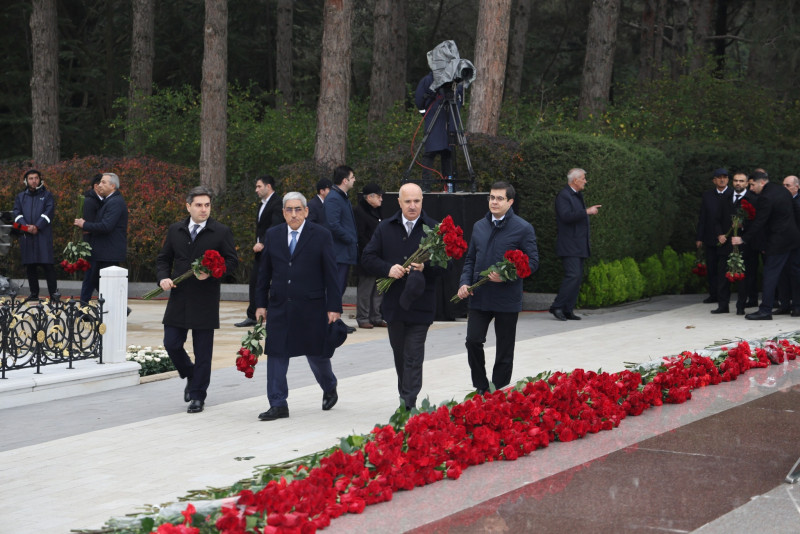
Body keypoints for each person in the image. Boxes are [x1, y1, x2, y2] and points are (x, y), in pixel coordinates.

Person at [255, 192, 342, 421]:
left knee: (316, 354)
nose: (294, 214)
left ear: (306, 211)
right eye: (289, 210)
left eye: (298, 209)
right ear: (283, 213)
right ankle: (277, 403)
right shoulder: (273, 235)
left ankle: (329, 385)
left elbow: (331, 273)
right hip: (280, 305)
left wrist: (334, 307)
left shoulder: (321, 235)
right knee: (276, 354)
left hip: (311, 306)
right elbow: (264, 273)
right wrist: (260, 304)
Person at [362, 183, 444, 410]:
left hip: (421, 305)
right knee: (400, 355)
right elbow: (367, 258)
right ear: (399, 202)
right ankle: (405, 398)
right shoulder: (386, 228)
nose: (412, 206)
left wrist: (425, 268)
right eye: (407, 201)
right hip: (394, 306)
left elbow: (446, 268)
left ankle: (409, 404)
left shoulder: (434, 229)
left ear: (422, 202)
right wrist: (388, 269)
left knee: (413, 356)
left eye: (417, 201)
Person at [156, 186, 238, 413]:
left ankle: (198, 396)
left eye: (207, 205)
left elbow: (232, 262)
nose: (204, 209)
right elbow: (164, 259)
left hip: (205, 299)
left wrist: (212, 272)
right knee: (171, 343)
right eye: (199, 205)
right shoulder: (176, 230)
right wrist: (163, 278)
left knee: (203, 352)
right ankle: (190, 374)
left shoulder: (220, 231)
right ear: (188, 206)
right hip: (179, 296)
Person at [457, 181, 539, 394]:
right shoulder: (479, 226)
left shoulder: (523, 228)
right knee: (473, 341)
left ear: (510, 202)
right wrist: (464, 282)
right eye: (492, 197)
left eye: (499, 198)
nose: (494, 201)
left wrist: (506, 276)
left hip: (506, 298)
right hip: (480, 296)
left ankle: (498, 391)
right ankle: (481, 386)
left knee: (504, 349)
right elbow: (470, 259)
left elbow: (532, 263)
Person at [732, 171, 800, 320]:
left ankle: (765, 310)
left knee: (770, 274)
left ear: (761, 182)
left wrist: (743, 239)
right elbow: (796, 211)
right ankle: (795, 306)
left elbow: (760, 223)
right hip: (793, 239)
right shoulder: (782, 190)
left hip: (779, 241)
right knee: (793, 273)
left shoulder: (765, 197)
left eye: (752, 185)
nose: (750, 188)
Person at [549, 168, 601, 321]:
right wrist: (586, 212)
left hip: (579, 244)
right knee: (573, 275)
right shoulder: (564, 196)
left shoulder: (577, 195)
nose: (585, 181)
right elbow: (565, 216)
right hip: (569, 244)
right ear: (575, 180)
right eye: (583, 178)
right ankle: (557, 307)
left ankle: (567, 309)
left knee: (577, 278)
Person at [235, 175, 283, 328]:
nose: (256, 190)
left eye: (259, 186)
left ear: (268, 187)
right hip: (261, 251)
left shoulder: (277, 203)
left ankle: (269, 313)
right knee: (256, 281)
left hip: (271, 249)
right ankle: (253, 315)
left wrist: (262, 242)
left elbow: (275, 225)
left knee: (270, 282)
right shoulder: (262, 204)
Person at [74, 172, 128, 305]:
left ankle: (85, 310)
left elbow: (106, 226)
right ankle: (86, 310)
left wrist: (84, 224)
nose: (100, 185)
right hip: (103, 252)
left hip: (108, 252)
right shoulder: (109, 200)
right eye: (100, 182)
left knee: (98, 282)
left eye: (104, 182)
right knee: (94, 281)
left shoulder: (115, 202)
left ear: (113, 186)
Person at [13, 169, 58, 300]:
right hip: (27, 236)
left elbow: (49, 212)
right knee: (30, 266)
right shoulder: (20, 197)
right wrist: (26, 227)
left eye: (36, 178)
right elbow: (16, 214)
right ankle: (34, 294)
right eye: (31, 178)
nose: (34, 181)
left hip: (43, 235)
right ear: (26, 181)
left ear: (40, 180)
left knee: (48, 265)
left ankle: (54, 294)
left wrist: (37, 226)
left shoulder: (47, 195)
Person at [712, 172, 754, 314]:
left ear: (747, 183)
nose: (738, 183)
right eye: (736, 180)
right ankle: (723, 305)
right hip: (725, 244)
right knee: (723, 276)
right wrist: (719, 235)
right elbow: (716, 220)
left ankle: (741, 307)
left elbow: (758, 222)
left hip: (743, 244)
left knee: (743, 278)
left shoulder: (752, 199)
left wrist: (744, 228)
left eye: (741, 181)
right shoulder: (725, 198)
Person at [324, 165, 358, 333]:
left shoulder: (342, 197)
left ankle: (334, 319)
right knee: (335, 287)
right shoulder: (334, 198)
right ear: (345, 180)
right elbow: (333, 225)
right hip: (338, 252)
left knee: (339, 287)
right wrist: (350, 239)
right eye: (352, 178)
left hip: (345, 252)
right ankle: (332, 320)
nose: (354, 180)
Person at [414, 72, 462, 192]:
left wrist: (426, 114)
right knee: (445, 154)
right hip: (446, 120)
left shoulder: (429, 79)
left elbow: (419, 100)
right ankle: (449, 186)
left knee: (436, 153)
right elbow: (459, 102)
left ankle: (429, 186)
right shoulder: (451, 80)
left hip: (441, 120)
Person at [354, 183, 385, 329]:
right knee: (366, 288)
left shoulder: (378, 211)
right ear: (370, 197)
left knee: (378, 287)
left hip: (379, 255)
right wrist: (370, 250)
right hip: (367, 255)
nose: (381, 199)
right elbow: (360, 235)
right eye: (379, 196)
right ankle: (363, 317)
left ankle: (376, 316)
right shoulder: (360, 211)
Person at [696, 168, 729, 304]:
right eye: (719, 177)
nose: (722, 180)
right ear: (714, 180)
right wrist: (699, 237)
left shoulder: (733, 194)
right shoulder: (708, 195)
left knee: (725, 268)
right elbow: (703, 217)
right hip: (710, 237)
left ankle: (724, 295)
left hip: (727, 238)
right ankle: (713, 294)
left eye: (724, 177)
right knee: (712, 267)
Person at [774, 175, 800, 316]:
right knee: (782, 274)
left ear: (797, 187)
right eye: (783, 185)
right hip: (782, 244)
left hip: (796, 245)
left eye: (787, 186)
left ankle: (797, 305)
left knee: (796, 275)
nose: (784, 188)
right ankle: (784, 304)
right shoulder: (780, 201)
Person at [78, 174, 103, 303]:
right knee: (91, 277)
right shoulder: (90, 201)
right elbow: (88, 226)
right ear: (96, 186)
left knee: (94, 277)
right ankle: (83, 306)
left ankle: (84, 306)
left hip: (97, 244)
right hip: (91, 245)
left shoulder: (99, 200)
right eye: (102, 183)